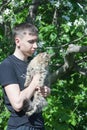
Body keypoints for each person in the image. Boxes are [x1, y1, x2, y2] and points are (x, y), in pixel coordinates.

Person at [0, 23, 50, 130]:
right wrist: (35, 80)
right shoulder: (7, 65)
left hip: (38, 124)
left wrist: (45, 91)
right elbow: (17, 104)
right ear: (17, 41)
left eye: (36, 41)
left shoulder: (32, 64)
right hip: (21, 126)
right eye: (31, 42)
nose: (35, 46)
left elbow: (35, 92)